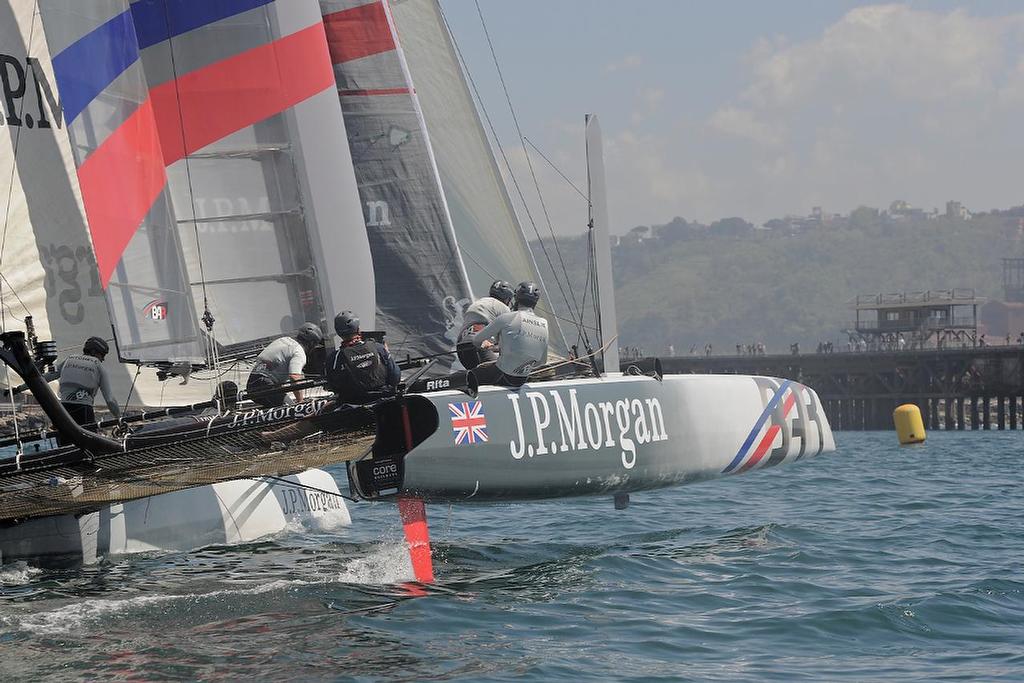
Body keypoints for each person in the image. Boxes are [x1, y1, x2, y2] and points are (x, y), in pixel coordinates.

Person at [37, 336, 121, 440]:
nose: (103, 359)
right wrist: (119, 419)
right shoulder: (98, 367)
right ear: (95, 352)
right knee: (88, 446)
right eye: (102, 355)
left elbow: (43, 379)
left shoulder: (69, 359)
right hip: (83, 412)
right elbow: (110, 400)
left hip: (63, 411)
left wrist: (19, 388)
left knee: (64, 448)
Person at [471, 281, 548, 388]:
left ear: (516, 297)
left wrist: (484, 345)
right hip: (521, 380)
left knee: (468, 376)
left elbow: (476, 340)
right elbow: (542, 361)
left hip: (501, 375)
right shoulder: (544, 323)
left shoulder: (507, 318)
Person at [326, 311, 400, 403]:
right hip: (384, 402)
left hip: (353, 408)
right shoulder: (378, 348)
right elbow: (395, 377)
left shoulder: (334, 358)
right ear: (358, 329)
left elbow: (333, 386)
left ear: (338, 333)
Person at [246, 323, 323, 408]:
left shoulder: (283, 339)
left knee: (279, 406)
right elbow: (294, 377)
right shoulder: (299, 352)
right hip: (265, 384)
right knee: (291, 410)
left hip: (251, 383)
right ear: (312, 343)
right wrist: (300, 402)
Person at [456, 280, 514, 370]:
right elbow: (510, 336)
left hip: (461, 346)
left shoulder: (477, 302)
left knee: (477, 373)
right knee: (502, 371)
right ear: (507, 298)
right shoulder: (503, 308)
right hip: (480, 344)